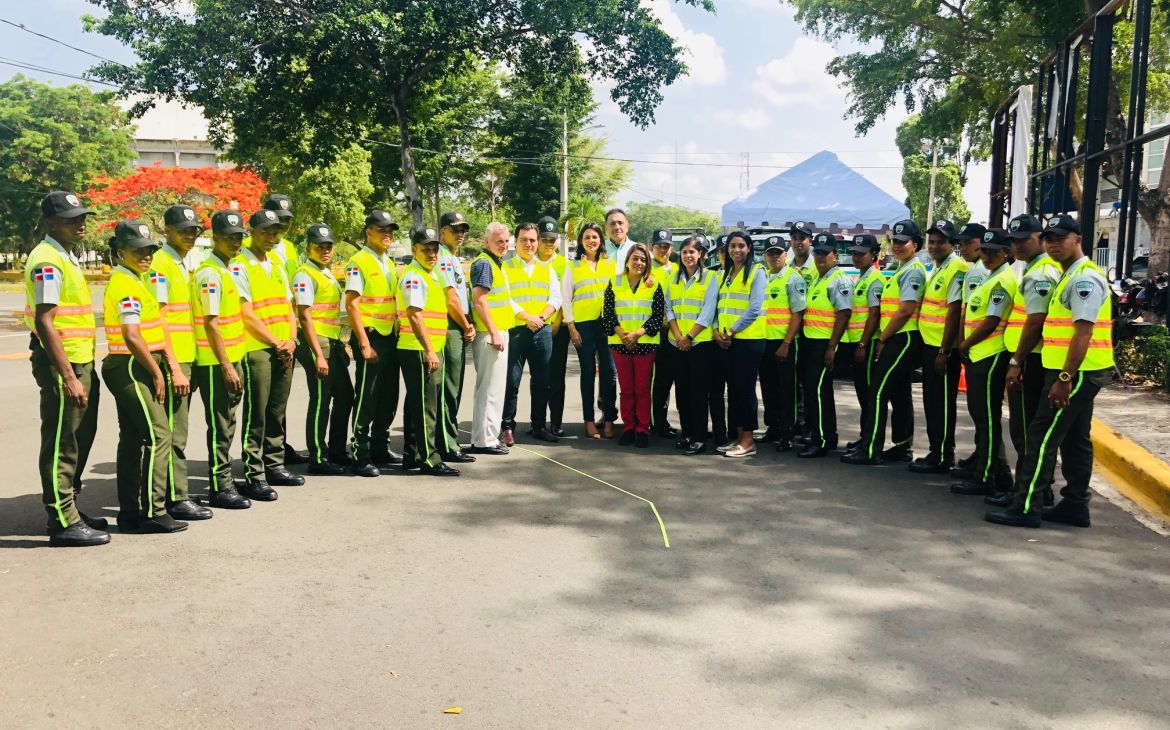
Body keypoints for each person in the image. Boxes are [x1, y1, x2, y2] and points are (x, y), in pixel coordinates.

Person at [986, 215, 1114, 528]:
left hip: (1075, 372)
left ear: (1078, 239)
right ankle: (1075, 505)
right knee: (1074, 439)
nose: (1053, 244)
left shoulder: (1084, 278)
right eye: (1050, 238)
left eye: (1060, 238)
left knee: (1041, 437)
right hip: (1072, 370)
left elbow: (1083, 333)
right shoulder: (1066, 275)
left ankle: (1026, 507)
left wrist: (1065, 379)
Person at [26, 191, 107, 546]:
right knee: (62, 441)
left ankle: (70, 509)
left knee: (79, 436)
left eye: (82, 217)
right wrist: (70, 376)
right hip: (64, 364)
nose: (81, 223)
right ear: (50, 222)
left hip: (80, 358)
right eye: (72, 218)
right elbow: (45, 321)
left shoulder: (65, 256)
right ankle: (61, 521)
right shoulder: (47, 260)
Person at [102, 221, 185, 534]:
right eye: (138, 250)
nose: (146, 255)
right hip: (130, 366)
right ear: (121, 251)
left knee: (133, 439)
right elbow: (132, 335)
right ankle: (153, 510)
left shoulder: (136, 280)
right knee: (159, 434)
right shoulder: (125, 284)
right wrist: (156, 371)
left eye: (150, 250)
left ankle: (130, 513)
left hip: (134, 364)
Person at [145, 204, 213, 521]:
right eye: (184, 229)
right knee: (174, 431)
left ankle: (177, 489)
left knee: (178, 429)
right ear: (166, 230)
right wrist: (173, 366)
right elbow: (159, 320)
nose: (191, 234)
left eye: (194, 229)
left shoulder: (182, 263)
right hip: (174, 360)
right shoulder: (160, 264)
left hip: (188, 357)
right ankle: (175, 496)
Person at [843, 220, 927, 465]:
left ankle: (871, 449)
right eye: (895, 242)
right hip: (897, 335)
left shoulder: (912, 271)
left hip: (904, 335)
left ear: (915, 245)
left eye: (903, 242)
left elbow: (905, 310)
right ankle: (902, 446)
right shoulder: (902, 269)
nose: (897, 246)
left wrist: (882, 338)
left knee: (877, 392)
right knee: (900, 393)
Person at [232, 209, 300, 502]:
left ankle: (274, 465)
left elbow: (288, 306)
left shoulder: (276, 263)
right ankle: (254, 474)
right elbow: (245, 314)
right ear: (252, 232)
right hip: (257, 347)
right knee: (256, 414)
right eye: (265, 232)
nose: (271, 237)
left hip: (283, 346)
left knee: (276, 410)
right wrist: (276, 342)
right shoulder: (240, 265)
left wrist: (292, 339)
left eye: (275, 232)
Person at [998, 213, 1061, 504]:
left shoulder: (1041, 273)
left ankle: (1029, 492)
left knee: (1025, 432)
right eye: (1014, 240)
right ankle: (1032, 489)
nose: (1018, 245)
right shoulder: (1033, 269)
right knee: (1025, 430)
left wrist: (1016, 362)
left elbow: (1035, 322)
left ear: (1041, 238)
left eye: (1025, 239)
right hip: (1030, 359)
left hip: (1031, 361)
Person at [192, 211, 252, 510]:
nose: (235, 242)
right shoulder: (210, 274)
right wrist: (227, 365)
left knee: (228, 421)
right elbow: (211, 323)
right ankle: (220, 486)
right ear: (214, 238)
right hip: (215, 363)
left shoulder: (229, 268)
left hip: (231, 357)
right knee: (220, 425)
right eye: (228, 237)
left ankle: (224, 479)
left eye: (239, 236)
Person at [951, 229, 1016, 497]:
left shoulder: (1002, 281)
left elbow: (992, 320)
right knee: (981, 417)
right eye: (985, 251)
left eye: (994, 251)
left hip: (990, 354)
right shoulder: (992, 277)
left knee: (987, 418)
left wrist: (964, 344)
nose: (987, 256)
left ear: (1006, 252)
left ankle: (986, 475)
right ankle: (995, 471)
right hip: (981, 354)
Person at [292, 223, 354, 475]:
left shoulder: (324, 272)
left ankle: (337, 450)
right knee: (321, 399)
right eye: (320, 246)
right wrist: (318, 354)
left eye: (329, 246)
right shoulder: (305, 274)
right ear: (309, 247)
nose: (325, 250)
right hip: (316, 342)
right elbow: (305, 316)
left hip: (332, 341)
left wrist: (341, 344)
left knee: (346, 395)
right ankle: (317, 456)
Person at [398, 229, 460, 477]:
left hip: (427, 348)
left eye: (434, 249)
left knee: (417, 404)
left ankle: (412, 454)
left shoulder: (428, 275)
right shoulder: (415, 276)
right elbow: (414, 315)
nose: (432, 253)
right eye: (426, 249)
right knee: (427, 407)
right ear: (414, 250)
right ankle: (430, 459)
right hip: (420, 349)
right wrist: (430, 350)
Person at [346, 210, 403, 476]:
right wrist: (364, 343)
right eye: (382, 229)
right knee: (367, 397)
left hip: (389, 335)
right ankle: (361, 452)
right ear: (369, 231)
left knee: (389, 396)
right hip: (371, 337)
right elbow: (352, 304)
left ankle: (380, 445)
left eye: (390, 230)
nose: (387, 234)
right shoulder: (359, 261)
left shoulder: (387, 262)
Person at [911, 220, 968, 475]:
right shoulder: (937, 268)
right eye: (931, 242)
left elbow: (955, 311)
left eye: (940, 242)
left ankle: (944, 455)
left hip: (943, 350)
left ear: (952, 244)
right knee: (932, 403)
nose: (934, 247)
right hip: (930, 345)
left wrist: (945, 351)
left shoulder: (956, 269)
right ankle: (936, 451)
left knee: (942, 404)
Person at [259, 193, 309, 466]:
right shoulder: (247, 245)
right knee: (262, 401)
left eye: (288, 219)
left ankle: (278, 447)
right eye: (279, 218)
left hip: (284, 327)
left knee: (280, 396)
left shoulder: (289, 248)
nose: (284, 223)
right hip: (259, 331)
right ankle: (262, 455)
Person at [501, 222, 561, 444]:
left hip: (542, 331)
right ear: (514, 242)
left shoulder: (547, 268)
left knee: (542, 382)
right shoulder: (505, 268)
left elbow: (555, 297)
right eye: (524, 239)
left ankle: (539, 426)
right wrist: (528, 317)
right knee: (512, 381)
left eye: (533, 240)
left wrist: (541, 318)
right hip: (516, 331)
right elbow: (505, 299)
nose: (529, 244)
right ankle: (507, 427)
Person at [603, 242, 665, 447]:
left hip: (645, 343)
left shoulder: (654, 284)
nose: (639, 262)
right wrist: (623, 335)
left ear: (647, 264)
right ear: (627, 261)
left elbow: (658, 316)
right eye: (635, 258)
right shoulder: (615, 281)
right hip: (620, 343)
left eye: (643, 259)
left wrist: (637, 334)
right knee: (626, 389)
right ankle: (629, 427)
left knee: (642, 389)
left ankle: (643, 429)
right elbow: (608, 312)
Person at [798, 234, 854, 458]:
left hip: (824, 344)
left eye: (825, 253)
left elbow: (844, 314)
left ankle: (821, 440)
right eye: (817, 252)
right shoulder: (819, 279)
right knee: (815, 391)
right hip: (812, 342)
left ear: (835, 255)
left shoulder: (838, 280)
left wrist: (832, 347)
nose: (820, 257)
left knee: (818, 392)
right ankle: (825, 435)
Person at [562, 222, 619, 440]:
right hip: (583, 325)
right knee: (587, 372)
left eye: (595, 237)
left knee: (609, 372)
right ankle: (588, 421)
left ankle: (608, 419)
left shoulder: (610, 265)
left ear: (601, 241)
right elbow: (566, 298)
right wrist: (572, 327)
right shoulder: (573, 266)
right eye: (587, 237)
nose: (591, 241)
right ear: (581, 242)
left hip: (607, 324)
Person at [714, 231, 767, 458]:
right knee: (733, 390)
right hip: (728, 341)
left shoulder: (757, 271)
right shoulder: (727, 274)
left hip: (749, 340)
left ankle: (748, 440)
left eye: (741, 246)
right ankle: (736, 437)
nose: (736, 250)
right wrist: (717, 331)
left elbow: (755, 308)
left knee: (745, 391)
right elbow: (720, 307)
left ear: (749, 248)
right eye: (732, 246)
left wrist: (732, 330)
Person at [665, 236, 719, 455]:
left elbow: (707, 312)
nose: (688, 256)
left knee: (698, 392)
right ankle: (686, 434)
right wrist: (678, 336)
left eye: (693, 252)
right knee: (682, 392)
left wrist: (689, 337)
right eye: (685, 252)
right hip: (677, 343)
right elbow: (669, 309)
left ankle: (699, 437)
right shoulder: (673, 278)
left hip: (700, 345)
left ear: (701, 255)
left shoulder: (710, 278)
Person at [468, 222, 515, 455]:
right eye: (499, 241)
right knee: (489, 389)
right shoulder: (485, 264)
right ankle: (484, 440)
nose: (504, 245)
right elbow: (480, 300)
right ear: (486, 242)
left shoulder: (496, 264)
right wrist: (495, 331)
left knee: (492, 388)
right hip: (490, 334)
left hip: (496, 331)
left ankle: (485, 437)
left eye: (507, 241)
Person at [757, 235, 807, 452]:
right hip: (764, 341)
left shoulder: (793, 278)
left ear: (785, 255)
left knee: (787, 389)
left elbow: (798, 313)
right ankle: (773, 427)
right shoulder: (764, 278)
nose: (774, 256)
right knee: (768, 388)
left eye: (778, 252)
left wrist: (786, 343)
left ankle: (788, 431)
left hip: (784, 342)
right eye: (771, 253)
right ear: (765, 256)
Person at [436, 212, 477, 463]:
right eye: (454, 229)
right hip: (451, 325)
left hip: (457, 325)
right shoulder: (441, 257)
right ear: (442, 232)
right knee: (448, 388)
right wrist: (465, 324)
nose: (460, 234)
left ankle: (449, 439)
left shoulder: (451, 257)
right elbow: (450, 298)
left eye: (463, 230)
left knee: (454, 386)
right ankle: (447, 444)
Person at [951, 222, 988, 473]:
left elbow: (967, 313)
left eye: (967, 243)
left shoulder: (977, 273)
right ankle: (981, 456)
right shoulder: (978, 269)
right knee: (980, 412)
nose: (962, 248)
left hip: (980, 349)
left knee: (983, 413)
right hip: (979, 348)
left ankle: (988, 465)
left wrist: (962, 343)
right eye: (961, 243)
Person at [842, 235, 884, 453]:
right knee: (862, 393)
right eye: (855, 253)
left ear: (874, 255)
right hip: (856, 343)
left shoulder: (875, 280)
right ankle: (864, 436)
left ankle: (870, 441)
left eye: (862, 253)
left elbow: (874, 315)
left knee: (868, 395)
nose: (856, 257)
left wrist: (862, 344)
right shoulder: (862, 278)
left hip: (864, 345)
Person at [536, 216, 570, 437]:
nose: (549, 244)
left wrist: (556, 323)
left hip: (557, 329)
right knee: (539, 378)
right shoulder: (531, 262)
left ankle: (556, 421)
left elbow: (565, 297)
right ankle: (537, 421)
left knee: (556, 377)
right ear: (538, 240)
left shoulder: (564, 264)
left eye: (552, 240)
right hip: (536, 327)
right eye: (545, 240)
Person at [648, 228, 678, 439]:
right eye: (658, 246)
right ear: (652, 248)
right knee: (659, 381)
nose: (662, 250)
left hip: (678, 330)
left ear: (671, 248)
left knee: (675, 378)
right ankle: (656, 422)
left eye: (666, 246)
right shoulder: (647, 270)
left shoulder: (678, 268)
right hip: (657, 331)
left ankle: (664, 422)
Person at [787, 221, 818, 287]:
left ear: (810, 241)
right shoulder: (785, 266)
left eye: (802, 238)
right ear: (790, 242)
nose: (798, 242)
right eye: (794, 238)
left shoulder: (818, 266)